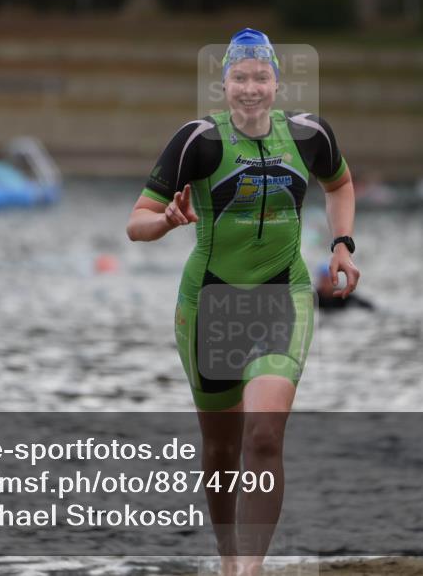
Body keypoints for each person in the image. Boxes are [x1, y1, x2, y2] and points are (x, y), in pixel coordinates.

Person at [126, 28, 359, 576]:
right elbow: (136, 222)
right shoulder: (197, 142)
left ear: (277, 82)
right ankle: (229, 558)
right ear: (224, 83)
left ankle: (250, 568)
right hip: (209, 308)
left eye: (261, 77)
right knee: (222, 452)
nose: (250, 88)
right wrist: (164, 220)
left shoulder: (309, 136)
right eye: (239, 77)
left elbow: (341, 185)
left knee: (263, 433)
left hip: (285, 296)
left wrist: (342, 245)